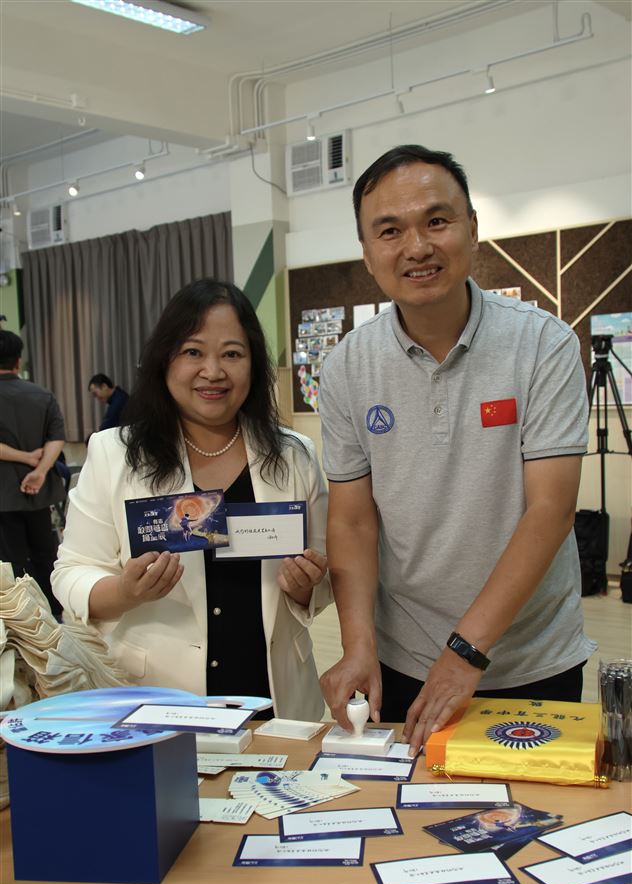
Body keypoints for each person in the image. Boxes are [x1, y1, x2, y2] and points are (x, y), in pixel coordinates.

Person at [318, 144, 595, 755]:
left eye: (436, 221)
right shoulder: (346, 367)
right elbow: (353, 520)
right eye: (390, 230)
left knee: (535, 810)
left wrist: (465, 651)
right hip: (406, 659)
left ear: (472, 228)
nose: (416, 246)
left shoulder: (542, 344)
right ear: (367, 251)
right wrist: (358, 644)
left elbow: (549, 510)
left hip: (532, 658)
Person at [53, 279, 332, 719]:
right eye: (193, 352)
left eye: (232, 354)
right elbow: (71, 573)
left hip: (275, 697)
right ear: (165, 360)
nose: (213, 371)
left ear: (254, 364)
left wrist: (306, 588)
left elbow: (326, 572)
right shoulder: (114, 453)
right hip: (156, 701)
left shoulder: (295, 455)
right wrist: (125, 592)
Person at [0, 330, 66, 617]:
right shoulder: (42, 395)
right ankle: (55, 613)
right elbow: (57, 438)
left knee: (10, 559)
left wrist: (22, 457)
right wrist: (38, 469)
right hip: (39, 493)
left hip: (3, 495)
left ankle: (25, 618)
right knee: (46, 554)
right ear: (18, 360)